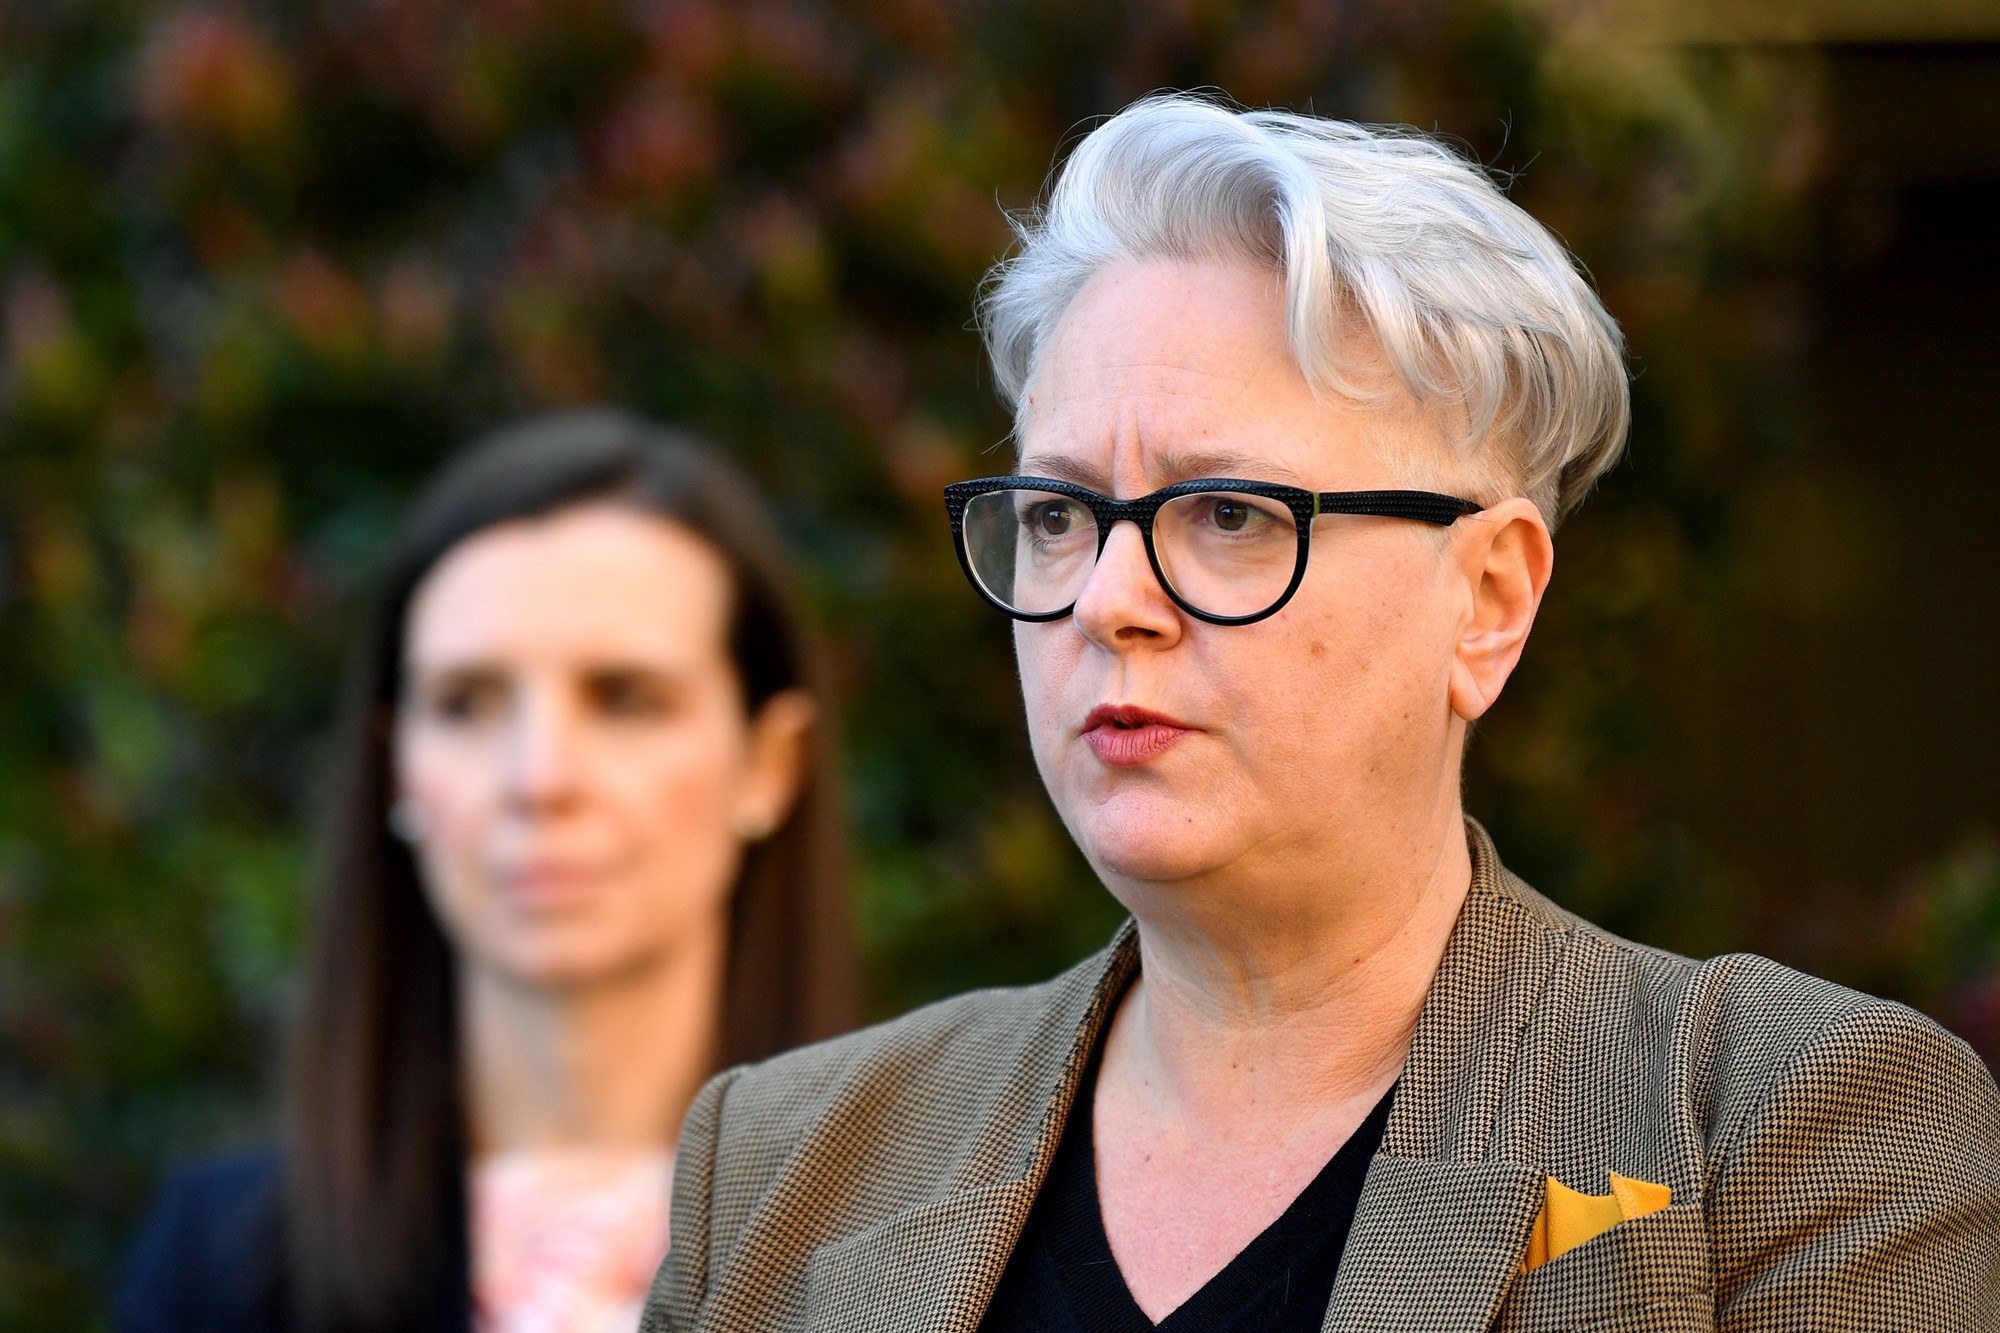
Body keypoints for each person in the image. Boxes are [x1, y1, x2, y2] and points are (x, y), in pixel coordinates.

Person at [640, 95, 2000, 1333]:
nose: (1110, 599)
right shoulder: (779, 1166)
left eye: (1228, 514)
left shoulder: (1778, 1127)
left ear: (1487, 600)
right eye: (1059, 515)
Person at [118, 409, 858, 1333]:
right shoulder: (226, 1265)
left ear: (768, 765)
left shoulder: (942, 1241)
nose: (537, 778)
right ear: (397, 763)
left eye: (626, 699)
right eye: (466, 703)